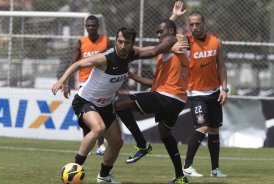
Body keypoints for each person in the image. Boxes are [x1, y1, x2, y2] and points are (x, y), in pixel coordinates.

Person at [52, 26, 183, 184]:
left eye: (126, 42)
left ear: (131, 43)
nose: (122, 46)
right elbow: (78, 64)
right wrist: (62, 80)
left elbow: (155, 49)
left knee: (117, 143)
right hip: (85, 101)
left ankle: (104, 176)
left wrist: (171, 44)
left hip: (106, 105)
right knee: (98, 128)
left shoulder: (132, 54)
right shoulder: (105, 58)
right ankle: (74, 169)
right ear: (116, 41)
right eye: (119, 41)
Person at [114, 19, 190, 184]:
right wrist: (134, 77)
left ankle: (142, 145)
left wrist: (129, 56)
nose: (158, 35)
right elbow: (155, 83)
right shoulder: (172, 50)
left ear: (170, 32)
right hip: (178, 101)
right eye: (157, 32)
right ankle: (180, 177)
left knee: (119, 105)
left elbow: (156, 48)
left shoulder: (172, 41)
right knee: (165, 134)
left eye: (160, 32)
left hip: (167, 96)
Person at [170, 3, 228, 178]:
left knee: (214, 129)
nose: (194, 27)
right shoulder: (186, 41)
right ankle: (186, 167)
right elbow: (164, 33)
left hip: (214, 93)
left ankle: (215, 169)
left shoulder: (215, 41)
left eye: (197, 24)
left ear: (204, 24)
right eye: (191, 24)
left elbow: (222, 67)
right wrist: (174, 16)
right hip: (195, 94)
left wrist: (224, 89)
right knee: (202, 127)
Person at [63, 15, 112, 155]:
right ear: (85, 26)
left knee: (100, 113)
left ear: (98, 26)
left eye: (93, 25)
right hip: (84, 82)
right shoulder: (80, 42)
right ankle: (87, 142)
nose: (91, 28)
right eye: (88, 25)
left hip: (102, 82)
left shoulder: (106, 41)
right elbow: (74, 63)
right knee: (85, 115)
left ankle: (101, 145)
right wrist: (66, 83)